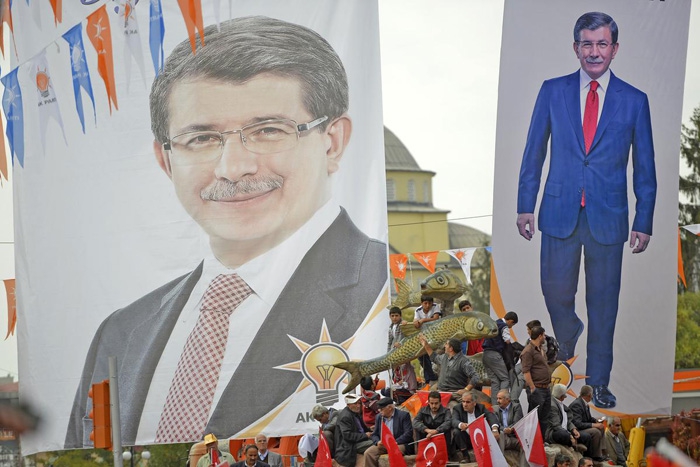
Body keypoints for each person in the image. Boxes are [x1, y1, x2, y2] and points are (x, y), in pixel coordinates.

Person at [65, 16, 387, 447]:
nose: (233, 168)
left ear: (333, 141)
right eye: (201, 138)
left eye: (268, 130)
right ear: (166, 161)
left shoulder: (385, 291)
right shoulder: (122, 332)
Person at [516, 11, 656, 410]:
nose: (594, 52)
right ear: (576, 47)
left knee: (604, 306)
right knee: (555, 290)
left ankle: (598, 383)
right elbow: (533, 152)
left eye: (602, 44)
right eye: (587, 44)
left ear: (614, 49)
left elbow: (644, 167)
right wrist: (525, 205)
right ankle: (570, 331)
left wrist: (643, 219)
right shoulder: (552, 91)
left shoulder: (635, 100)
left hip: (609, 217)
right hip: (558, 210)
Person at [363, 397, 414, 467]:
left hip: (399, 443)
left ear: (390, 408)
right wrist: (378, 442)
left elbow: (408, 433)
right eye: (379, 409)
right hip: (384, 444)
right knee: (368, 453)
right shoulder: (379, 417)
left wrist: (395, 442)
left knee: (394, 451)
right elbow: (374, 434)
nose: (379, 411)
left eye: (381, 409)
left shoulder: (403, 415)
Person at [481, 311, 518, 405]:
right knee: (505, 379)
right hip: (495, 355)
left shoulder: (494, 323)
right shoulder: (504, 326)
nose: (511, 327)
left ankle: (495, 405)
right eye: (512, 325)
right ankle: (503, 403)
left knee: (495, 381)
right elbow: (507, 341)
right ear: (510, 321)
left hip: (485, 354)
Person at [520, 325, 551, 436]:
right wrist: (532, 388)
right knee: (534, 418)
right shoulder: (528, 351)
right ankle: (531, 440)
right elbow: (526, 371)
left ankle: (542, 441)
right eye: (544, 335)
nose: (545, 337)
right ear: (539, 336)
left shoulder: (540, 349)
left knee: (544, 417)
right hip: (537, 388)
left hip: (546, 388)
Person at [451, 392, 498, 461]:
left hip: (479, 438)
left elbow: (491, 416)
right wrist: (461, 424)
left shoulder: (481, 408)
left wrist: (495, 429)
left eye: (468, 402)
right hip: (466, 439)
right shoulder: (458, 408)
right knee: (456, 431)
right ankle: (466, 456)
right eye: (463, 401)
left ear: (474, 403)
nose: (465, 404)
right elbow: (454, 420)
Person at [335, 394, 374, 467]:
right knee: (374, 443)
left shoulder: (354, 412)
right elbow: (347, 436)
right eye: (355, 404)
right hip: (350, 445)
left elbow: (360, 428)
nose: (358, 406)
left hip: (357, 440)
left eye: (359, 403)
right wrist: (365, 435)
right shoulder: (345, 416)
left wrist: (370, 429)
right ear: (348, 405)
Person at [546, 384, 587, 454]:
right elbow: (556, 426)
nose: (565, 397)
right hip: (554, 432)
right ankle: (574, 446)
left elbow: (567, 420)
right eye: (564, 395)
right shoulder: (552, 405)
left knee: (585, 436)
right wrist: (570, 436)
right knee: (563, 435)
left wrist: (573, 429)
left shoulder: (560, 403)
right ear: (561, 396)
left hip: (565, 429)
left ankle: (585, 457)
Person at [568, 385, 605, 461]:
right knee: (596, 432)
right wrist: (594, 425)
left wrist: (596, 421)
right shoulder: (577, 404)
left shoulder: (585, 404)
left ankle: (602, 452)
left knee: (601, 428)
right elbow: (577, 424)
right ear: (589, 395)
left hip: (583, 428)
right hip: (577, 430)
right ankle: (595, 456)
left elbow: (588, 418)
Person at [414, 296, 441, 384]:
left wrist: (423, 320)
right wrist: (416, 322)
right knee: (422, 358)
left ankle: (430, 377)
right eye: (425, 303)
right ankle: (429, 378)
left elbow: (436, 318)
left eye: (429, 303)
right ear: (421, 303)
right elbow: (416, 323)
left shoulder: (435, 306)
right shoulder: (418, 310)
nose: (428, 305)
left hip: (435, 335)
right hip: (423, 336)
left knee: (433, 356)